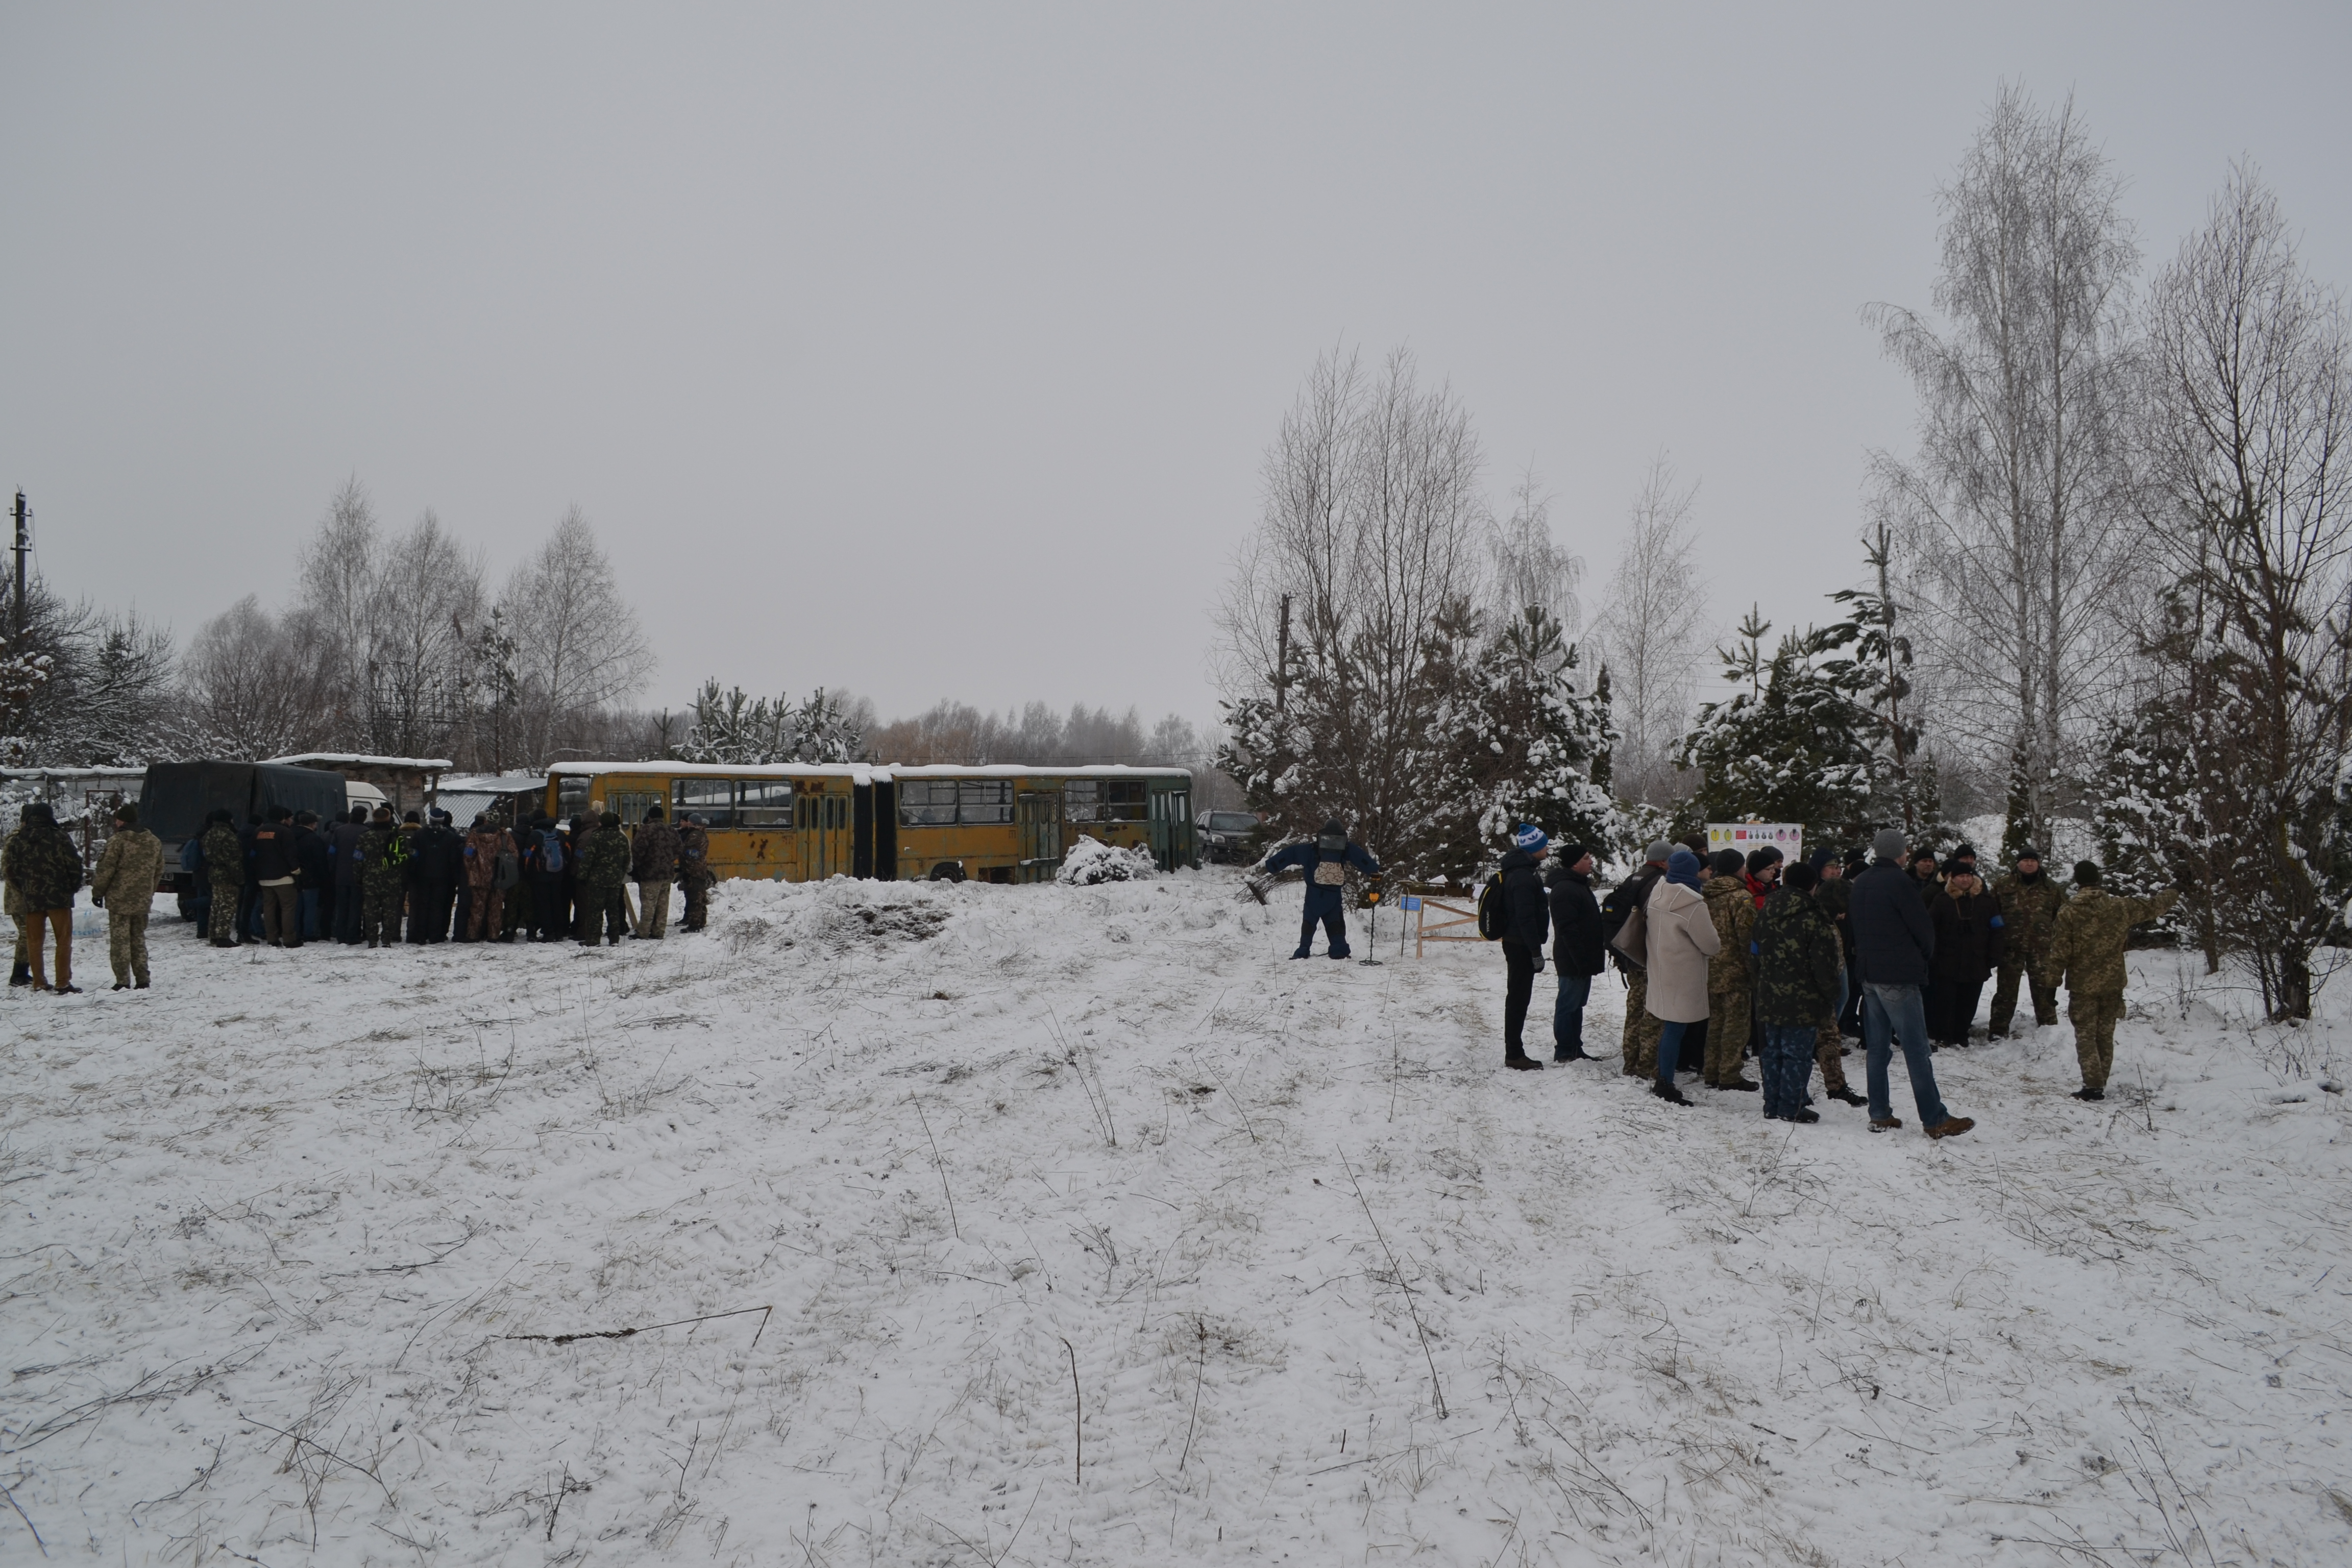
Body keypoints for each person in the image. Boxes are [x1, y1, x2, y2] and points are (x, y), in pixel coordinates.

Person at [1848, 829, 1974, 1138]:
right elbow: (1924, 929)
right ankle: (1935, 1118)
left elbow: (1855, 926)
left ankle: (1879, 1113)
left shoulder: (1861, 881)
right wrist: (1921, 959)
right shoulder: (1901, 882)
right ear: (1902, 853)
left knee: (1877, 1049)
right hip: (1898, 975)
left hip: (1868, 973)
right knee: (1917, 1049)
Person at [2045, 862, 2179, 1102]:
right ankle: (2100, 1082)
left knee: (2086, 1034)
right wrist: (2177, 888)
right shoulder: (2120, 907)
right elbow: (2156, 906)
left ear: (2077, 881)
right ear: (2099, 880)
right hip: (2113, 982)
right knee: (2105, 1033)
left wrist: (2051, 984)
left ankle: (2093, 1085)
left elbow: (2060, 953)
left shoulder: (2068, 912)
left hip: (2082, 984)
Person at [1755, 860, 1842, 1123]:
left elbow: (1754, 952)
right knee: (1797, 1055)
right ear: (1813, 885)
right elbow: (1824, 966)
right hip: (1803, 999)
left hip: (1769, 992)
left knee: (1772, 1051)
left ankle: (1772, 1103)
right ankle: (1791, 1106)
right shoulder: (1815, 917)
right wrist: (1831, 995)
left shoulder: (1766, 909)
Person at [1642, 849, 1720, 1105]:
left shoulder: (1658, 892)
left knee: (1669, 1026)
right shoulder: (1693, 905)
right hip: (1684, 974)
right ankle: (1665, 1082)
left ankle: (1664, 1075)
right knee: (1675, 1029)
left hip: (1660, 968)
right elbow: (1711, 945)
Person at [1261, 818, 1381, 960]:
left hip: (1313, 895)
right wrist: (1374, 871)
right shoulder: (1345, 848)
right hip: (1334, 896)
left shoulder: (1311, 850)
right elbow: (1361, 858)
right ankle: (1338, 950)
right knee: (1335, 923)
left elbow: (1291, 854)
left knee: (1309, 923)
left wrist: (1272, 866)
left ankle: (1303, 949)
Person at [1604, 841, 1674, 1076]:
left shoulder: (1632, 879)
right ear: (1664, 861)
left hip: (1630, 953)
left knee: (1634, 1010)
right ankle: (1647, 1065)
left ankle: (1630, 1062)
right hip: (1648, 956)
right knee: (1652, 1013)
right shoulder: (1659, 883)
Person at [1804, 854, 1867, 1107]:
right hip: (1816, 993)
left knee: (1827, 1038)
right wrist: (1829, 992)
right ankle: (1810, 1090)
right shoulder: (1819, 926)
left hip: (1823, 988)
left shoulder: (1824, 922)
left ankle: (1834, 1087)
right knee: (1822, 1038)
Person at [3, 801, 85, 992]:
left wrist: (25, 889)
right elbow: (74, 864)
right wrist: (72, 888)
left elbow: (10, 870)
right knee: (63, 941)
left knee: (34, 942)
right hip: (59, 898)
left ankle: (38, 982)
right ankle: (62, 982)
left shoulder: (17, 840)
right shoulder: (60, 837)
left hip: (32, 899)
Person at [1988, 846, 2068, 1038]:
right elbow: (1991, 912)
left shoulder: (2051, 887)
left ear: (2038, 863)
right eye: (2026, 860)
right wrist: (1997, 936)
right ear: (2018, 863)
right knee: (2006, 991)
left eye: (2033, 860)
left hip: (2041, 948)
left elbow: (2063, 914)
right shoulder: (2003, 885)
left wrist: (2056, 937)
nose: (2029, 864)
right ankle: (1998, 1030)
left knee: (2044, 989)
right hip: (2011, 947)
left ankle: (2049, 1027)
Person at [1926, 859, 2004, 1046]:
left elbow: (1998, 928)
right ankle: (1944, 1034)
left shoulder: (1986, 901)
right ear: (1953, 879)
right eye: (1961, 876)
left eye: (1968, 876)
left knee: (1969, 1002)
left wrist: (1995, 954)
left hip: (1977, 961)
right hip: (1948, 961)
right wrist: (1932, 955)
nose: (1965, 879)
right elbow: (1930, 929)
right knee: (1946, 1001)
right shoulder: (1942, 900)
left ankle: (1961, 1034)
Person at [1700, 849, 1759, 1091]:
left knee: (1715, 1023)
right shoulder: (1741, 898)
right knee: (1736, 1024)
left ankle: (1712, 1071)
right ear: (1737, 868)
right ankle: (1730, 1074)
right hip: (1735, 972)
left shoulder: (1705, 894)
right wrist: (1755, 972)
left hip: (1709, 969)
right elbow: (1748, 939)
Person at [1494, 823, 1552, 1071]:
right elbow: (1525, 917)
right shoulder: (1522, 877)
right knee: (1518, 999)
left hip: (1518, 943)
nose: (1548, 848)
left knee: (1519, 998)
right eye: (1544, 845)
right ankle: (1514, 1054)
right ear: (1534, 848)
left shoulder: (1522, 871)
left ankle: (1515, 1051)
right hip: (1520, 946)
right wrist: (1535, 952)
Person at [89, 802, 164, 990]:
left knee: (120, 941)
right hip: (142, 899)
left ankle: (122, 981)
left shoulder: (117, 841)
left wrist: (98, 893)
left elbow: (106, 870)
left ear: (122, 821)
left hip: (119, 900)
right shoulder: (154, 841)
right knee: (138, 938)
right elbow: (159, 870)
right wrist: (149, 891)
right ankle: (143, 979)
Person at [1546, 842, 1606, 1062]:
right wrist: (1580, 959)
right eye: (1586, 858)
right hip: (1572, 959)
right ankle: (1564, 1050)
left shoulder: (1579, 885)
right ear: (1574, 864)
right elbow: (1567, 929)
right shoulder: (1565, 889)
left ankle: (1575, 1048)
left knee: (1576, 1006)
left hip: (1583, 958)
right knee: (1567, 1005)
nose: (1591, 862)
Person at [250, 806, 302, 948]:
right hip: (283, 876)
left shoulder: (258, 832)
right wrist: (296, 870)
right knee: (288, 908)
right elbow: (290, 853)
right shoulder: (285, 831)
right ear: (282, 818)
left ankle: (272, 938)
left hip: (264, 877)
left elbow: (254, 853)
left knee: (269, 908)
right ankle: (289, 939)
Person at [578, 812, 631, 946]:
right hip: (615, 881)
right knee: (613, 910)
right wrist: (619, 874)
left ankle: (593, 939)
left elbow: (588, 859)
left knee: (595, 911)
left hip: (597, 881)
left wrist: (582, 876)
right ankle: (614, 939)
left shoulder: (596, 837)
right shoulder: (621, 838)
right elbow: (627, 859)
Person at [412, 807, 463, 943]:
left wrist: (413, 873)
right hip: (443, 877)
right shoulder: (451, 837)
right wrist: (455, 878)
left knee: (423, 906)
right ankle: (435, 936)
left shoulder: (420, 834)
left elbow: (414, 856)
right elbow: (454, 860)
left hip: (422, 875)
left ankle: (421, 936)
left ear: (430, 819)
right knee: (438, 906)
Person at [630, 805, 681, 939]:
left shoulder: (646, 830)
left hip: (650, 873)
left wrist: (638, 867)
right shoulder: (671, 830)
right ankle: (659, 931)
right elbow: (679, 849)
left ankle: (643, 932)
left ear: (650, 817)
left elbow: (638, 851)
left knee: (649, 903)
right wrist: (668, 859)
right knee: (663, 904)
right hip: (667, 873)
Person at [462, 815, 515, 942]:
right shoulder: (504, 836)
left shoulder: (475, 835)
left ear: (485, 820)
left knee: (477, 908)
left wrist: (472, 870)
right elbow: (514, 854)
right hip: (499, 877)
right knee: (496, 908)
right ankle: (493, 935)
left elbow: (468, 854)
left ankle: (473, 935)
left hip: (479, 876)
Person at [357, 806, 403, 948]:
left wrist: (358, 877)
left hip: (370, 880)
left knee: (371, 911)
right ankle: (387, 939)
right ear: (389, 818)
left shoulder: (365, 837)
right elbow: (403, 857)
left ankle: (372, 940)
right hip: (392, 880)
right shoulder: (397, 836)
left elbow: (358, 860)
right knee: (390, 911)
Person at [202, 808, 246, 948]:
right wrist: (240, 878)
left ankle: (213, 935)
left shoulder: (209, 834)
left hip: (214, 872)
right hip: (227, 874)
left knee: (216, 904)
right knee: (228, 906)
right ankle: (223, 936)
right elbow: (233, 860)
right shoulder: (229, 836)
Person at [328, 805, 367, 944]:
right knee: (356, 906)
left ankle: (341, 935)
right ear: (364, 817)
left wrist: (333, 871)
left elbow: (332, 853)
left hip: (341, 875)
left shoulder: (339, 831)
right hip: (358, 876)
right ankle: (352, 935)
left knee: (342, 906)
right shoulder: (366, 832)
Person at [292, 811, 329, 942]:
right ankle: (309, 933)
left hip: (293, 877)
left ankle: (295, 931)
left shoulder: (289, 835)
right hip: (311, 879)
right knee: (310, 908)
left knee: (296, 908)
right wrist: (324, 879)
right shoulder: (314, 839)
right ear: (313, 824)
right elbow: (320, 861)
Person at [677, 813, 714, 932]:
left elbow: (690, 854)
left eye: (688, 821)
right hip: (698, 870)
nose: (686, 822)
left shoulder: (694, 836)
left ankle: (694, 925)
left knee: (695, 899)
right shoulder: (699, 833)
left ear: (692, 822)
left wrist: (687, 871)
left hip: (694, 871)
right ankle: (700, 922)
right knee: (699, 897)